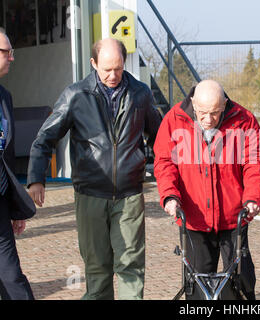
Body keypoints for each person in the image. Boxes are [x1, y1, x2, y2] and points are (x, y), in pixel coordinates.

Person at [27, 38, 161, 300]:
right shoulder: (75, 95)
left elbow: (160, 137)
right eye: (107, 69)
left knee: (130, 267)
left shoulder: (140, 94)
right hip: (90, 195)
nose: (113, 76)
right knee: (97, 270)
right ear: (93, 64)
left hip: (129, 196)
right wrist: (36, 178)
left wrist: (168, 175)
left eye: (119, 68)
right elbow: (45, 138)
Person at [154, 79, 260, 300]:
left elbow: (254, 163)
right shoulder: (174, 120)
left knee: (239, 282)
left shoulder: (244, 121)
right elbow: (164, 162)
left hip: (233, 216)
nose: (208, 119)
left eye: (214, 113)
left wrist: (253, 198)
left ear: (225, 104)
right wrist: (169, 196)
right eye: (202, 112)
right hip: (195, 218)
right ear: (193, 103)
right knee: (197, 287)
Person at [0, 29, 36, 300]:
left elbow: (7, 158)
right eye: (6, 52)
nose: (12, 58)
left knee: (10, 275)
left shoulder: (5, 97)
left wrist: (15, 207)